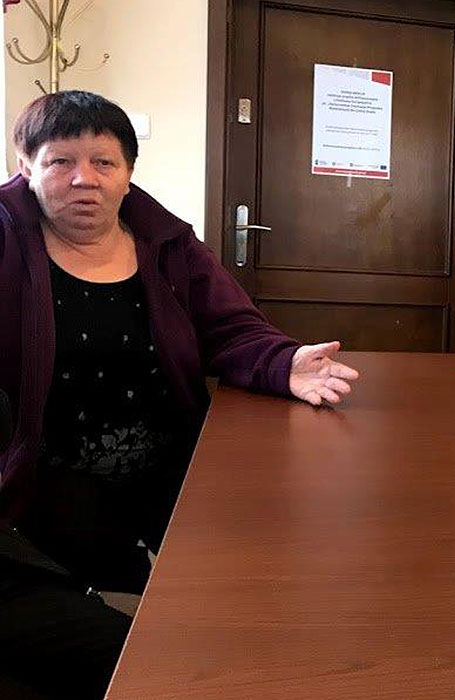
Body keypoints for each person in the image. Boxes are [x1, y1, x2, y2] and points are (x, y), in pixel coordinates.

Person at [0, 90, 360, 697]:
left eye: (104, 162)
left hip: (170, 468)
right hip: (39, 483)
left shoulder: (166, 243)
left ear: (127, 174)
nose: (84, 179)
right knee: (88, 646)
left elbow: (232, 327)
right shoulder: (6, 237)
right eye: (60, 161)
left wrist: (282, 363)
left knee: (278, 579)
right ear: (27, 166)